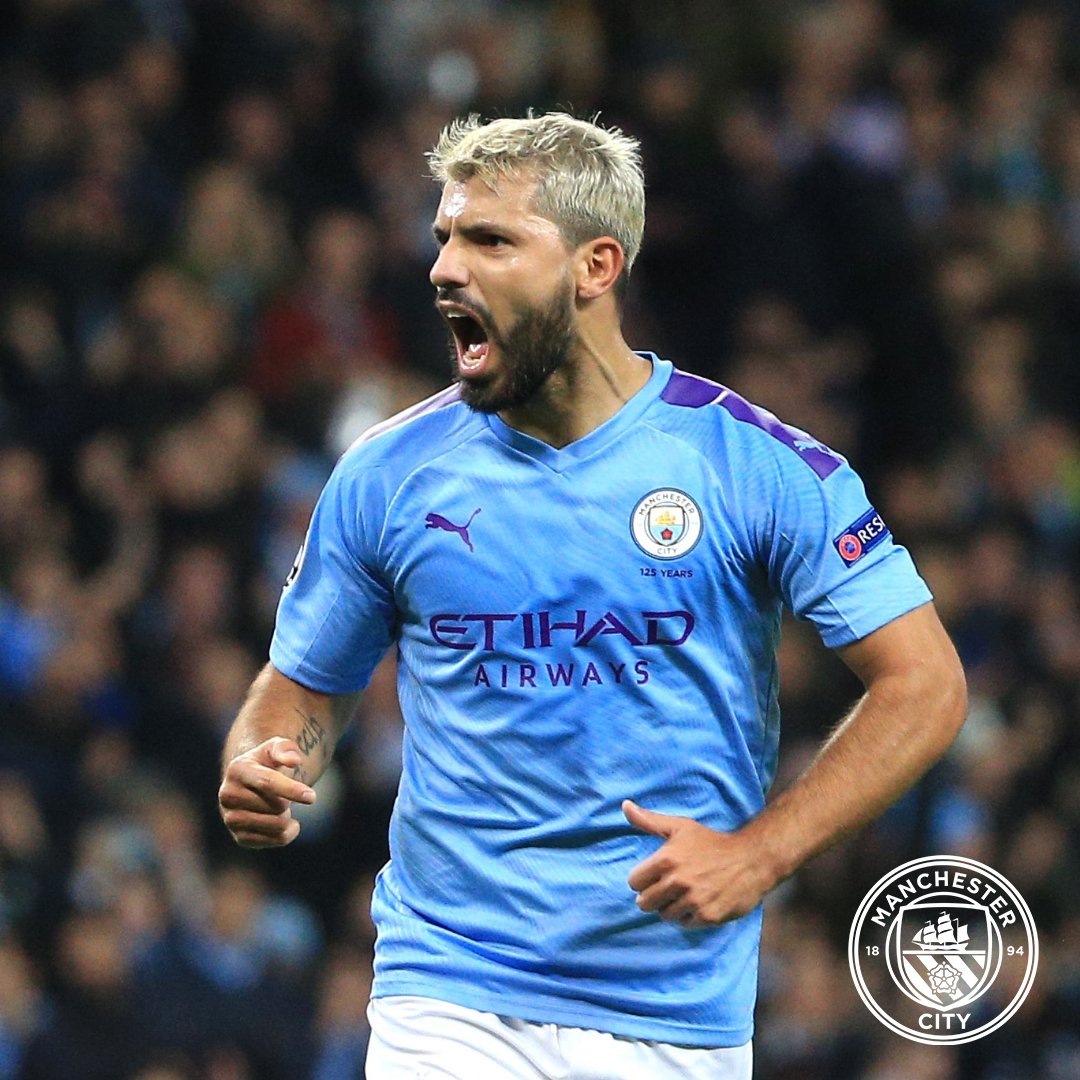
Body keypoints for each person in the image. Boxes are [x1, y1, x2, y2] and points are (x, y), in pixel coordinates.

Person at [218, 112, 967, 1079]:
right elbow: (305, 686)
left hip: (674, 1012)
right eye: (444, 237)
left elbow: (926, 684)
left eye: (490, 240)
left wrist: (761, 853)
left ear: (596, 266)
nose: (445, 269)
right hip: (448, 993)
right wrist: (266, 757)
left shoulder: (752, 465)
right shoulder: (388, 474)